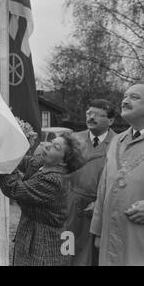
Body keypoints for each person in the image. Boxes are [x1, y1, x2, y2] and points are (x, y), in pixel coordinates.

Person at [0, 133, 86, 266]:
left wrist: (4, 164)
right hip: (30, 234)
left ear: (63, 161)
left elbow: (14, 188)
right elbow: (24, 161)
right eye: (51, 141)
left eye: (55, 147)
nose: (47, 145)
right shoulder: (42, 164)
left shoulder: (54, 180)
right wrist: (8, 146)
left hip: (43, 243)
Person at [90, 84, 144, 265]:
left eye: (134, 97)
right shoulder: (116, 141)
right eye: (125, 96)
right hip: (110, 239)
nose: (125, 100)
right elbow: (103, 189)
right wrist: (97, 231)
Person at [65, 99, 117, 266]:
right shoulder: (74, 139)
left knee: (96, 253)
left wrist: (100, 202)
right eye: (89, 113)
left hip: (102, 208)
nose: (91, 117)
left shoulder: (118, 143)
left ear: (111, 120)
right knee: (67, 248)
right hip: (71, 206)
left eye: (98, 115)